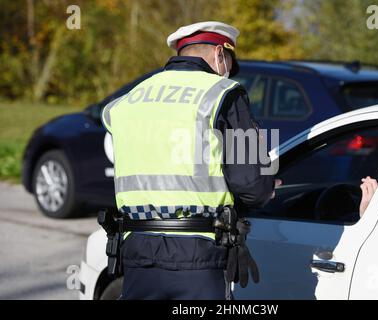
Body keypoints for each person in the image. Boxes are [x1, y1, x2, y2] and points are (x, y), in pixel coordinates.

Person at [100, 21, 278, 300]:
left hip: (135, 250)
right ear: (220, 53)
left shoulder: (130, 99)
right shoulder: (224, 93)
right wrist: (268, 185)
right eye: (230, 59)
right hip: (199, 253)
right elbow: (251, 184)